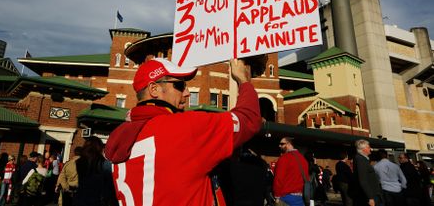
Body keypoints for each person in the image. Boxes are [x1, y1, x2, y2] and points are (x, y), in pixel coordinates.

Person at [105, 58, 261, 205]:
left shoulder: (120, 136)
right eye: (180, 85)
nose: (187, 93)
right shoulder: (183, 127)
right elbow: (249, 118)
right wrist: (243, 80)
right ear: (154, 89)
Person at [74, 137, 115, 206]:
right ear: (100, 148)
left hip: (79, 199)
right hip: (97, 201)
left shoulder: (79, 162)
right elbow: (111, 187)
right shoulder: (105, 164)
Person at [273, 137, 309, 206]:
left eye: (282, 144)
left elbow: (278, 179)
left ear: (289, 144)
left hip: (286, 198)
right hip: (300, 198)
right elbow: (306, 179)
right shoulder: (303, 160)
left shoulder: (284, 158)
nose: (279, 146)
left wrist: (277, 196)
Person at [352, 139, 382, 206]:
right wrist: (370, 197)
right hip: (369, 195)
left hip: (371, 193)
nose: (370, 149)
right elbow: (363, 180)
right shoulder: (360, 159)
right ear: (363, 149)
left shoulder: (363, 159)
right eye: (368, 147)